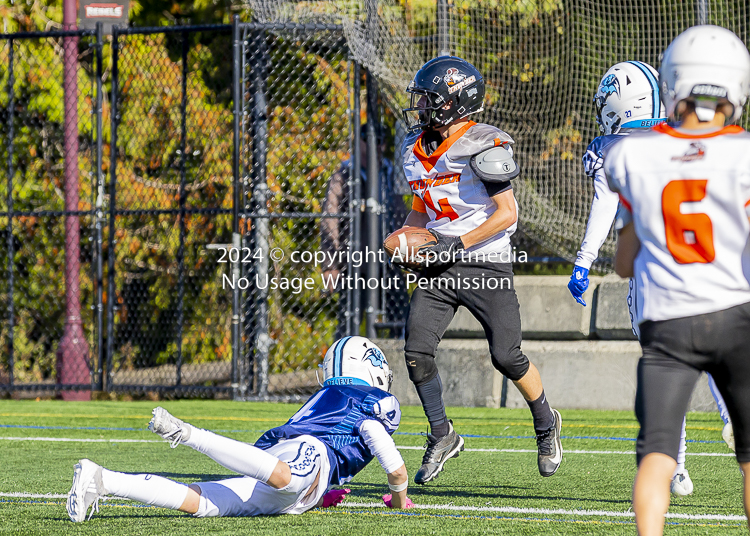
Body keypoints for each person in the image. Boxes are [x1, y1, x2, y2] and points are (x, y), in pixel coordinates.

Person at [604, 25, 750, 535]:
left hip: (666, 322)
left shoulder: (632, 154)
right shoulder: (745, 153)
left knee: (657, 454)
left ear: (672, 84)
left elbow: (624, 263)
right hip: (736, 318)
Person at [568, 60, 734, 496]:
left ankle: (675, 463)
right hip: (710, 264)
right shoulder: (688, 135)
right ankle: (728, 417)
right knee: (721, 354)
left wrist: (583, 262)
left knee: (663, 363)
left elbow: (606, 210)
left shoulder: (614, 150)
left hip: (653, 269)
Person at [397, 56, 562, 484]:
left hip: (484, 261)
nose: (420, 106)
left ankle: (546, 423)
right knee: (416, 352)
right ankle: (441, 433)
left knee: (506, 356)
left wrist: (458, 243)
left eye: (428, 98)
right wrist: (404, 239)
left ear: (454, 102)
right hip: (439, 265)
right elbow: (421, 212)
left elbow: (508, 214)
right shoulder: (415, 151)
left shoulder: (484, 143)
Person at [66, 336, 413, 522]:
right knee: (287, 477)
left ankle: (101, 479)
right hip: (303, 457)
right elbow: (390, 460)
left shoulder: (329, 395)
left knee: (200, 504)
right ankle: (187, 434)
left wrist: (320, 494)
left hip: (287, 467)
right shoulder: (372, 401)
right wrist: (399, 500)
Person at [320, 128, 409, 338]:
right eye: (369, 140)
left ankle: (401, 361)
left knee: (402, 317)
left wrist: (408, 256)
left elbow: (401, 214)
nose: (375, 146)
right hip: (355, 261)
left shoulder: (390, 171)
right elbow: (329, 220)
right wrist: (330, 264)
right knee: (348, 322)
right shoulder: (344, 174)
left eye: (380, 141)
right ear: (359, 143)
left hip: (388, 260)